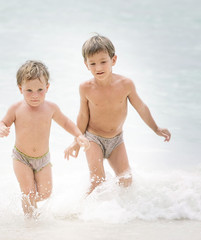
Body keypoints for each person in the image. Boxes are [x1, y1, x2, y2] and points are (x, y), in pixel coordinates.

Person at [65, 34, 171, 195]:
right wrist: (76, 140)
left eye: (103, 62)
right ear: (86, 64)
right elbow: (83, 116)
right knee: (97, 181)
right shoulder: (85, 87)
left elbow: (141, 107)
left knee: (126, 180)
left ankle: (120, 213)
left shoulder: (125, 84)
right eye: (92, 63)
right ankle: (82, 213)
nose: (98, 68)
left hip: (116, 140)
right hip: (93, 138)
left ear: (113, 60)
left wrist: (156, 128)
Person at [0, 60, 90, 218]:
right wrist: (1, 129)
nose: (35, 95)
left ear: (47, 87)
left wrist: (79, 135)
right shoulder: (16, 109)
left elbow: (66, 122)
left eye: (40, 90)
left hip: (43, 159)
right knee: (28, 192)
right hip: (21, 157)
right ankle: (29, 221)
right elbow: (3, 122)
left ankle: (29, 207)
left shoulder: (51, 108)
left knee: (46, 193)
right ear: (20, 89)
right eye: (29, 90)